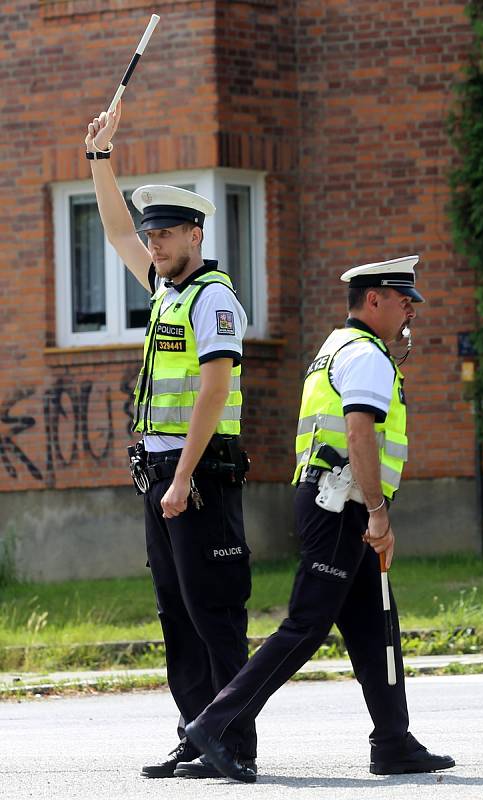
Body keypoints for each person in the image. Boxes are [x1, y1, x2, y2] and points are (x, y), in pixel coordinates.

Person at [185, 255, 455, 783]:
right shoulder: (367, 355)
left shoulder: (337, 346)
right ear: (372, 300)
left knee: (374, 623)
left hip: (331, 500)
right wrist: (378, 514)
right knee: (307, 625)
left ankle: (394, 741)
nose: (410, 314)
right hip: (344, 505)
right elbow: (358, 436)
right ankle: (216, 724)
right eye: (404, 302)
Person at [84, 103, 256, 780]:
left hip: (200, 474)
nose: (150, 246)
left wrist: (182, 477)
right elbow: (114, 229)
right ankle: (196, 731)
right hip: (160, 472)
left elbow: (213, 392)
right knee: (175, 611)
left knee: (213, 609)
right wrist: (101, 158)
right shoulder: (165, 291)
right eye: (149, 238)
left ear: (194, 233)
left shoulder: (212, 297)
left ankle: (233, 743)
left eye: (164, 236)